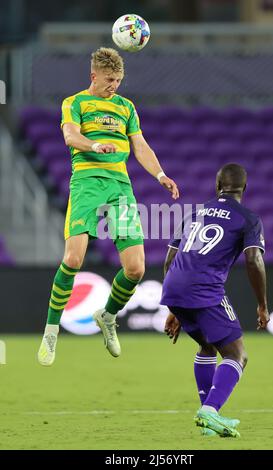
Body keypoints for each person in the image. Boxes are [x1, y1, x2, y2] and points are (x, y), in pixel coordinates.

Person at [38, 47, 179, 366]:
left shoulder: (126, 107)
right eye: (109, 79)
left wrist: (160, 174)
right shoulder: (75, 103)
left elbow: (140, 145)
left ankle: (108, 315)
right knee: (73, 259)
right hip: (87, 182)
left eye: (118, 80)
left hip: (119, 186)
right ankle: (51, 329)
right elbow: (70, 136)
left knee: (136, 268)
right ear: (94, 76)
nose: (114, 85)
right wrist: (94, 145)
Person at [160, 163, 269, 438]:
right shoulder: (248, 218)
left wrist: (174, 304)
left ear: (217, 186)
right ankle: (210, 410)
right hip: (204, 289)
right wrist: (262, 304)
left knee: (207, 346)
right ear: (244, 189)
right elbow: (254, 259)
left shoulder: (193, 213)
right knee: (237, 355)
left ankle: (209, 418)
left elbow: (171, 259)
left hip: (175, 286)